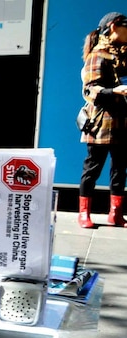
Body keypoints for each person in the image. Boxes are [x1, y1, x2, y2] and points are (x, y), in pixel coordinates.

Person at [78, 11, 127, 228]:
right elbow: (89, 90)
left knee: (120, 169)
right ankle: (83, 214)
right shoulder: (98, 55)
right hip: (100, 122)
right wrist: (116, 91)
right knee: (93, 168)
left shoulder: (123, 56)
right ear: (114, 26)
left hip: (122, 121)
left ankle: (115, 214)